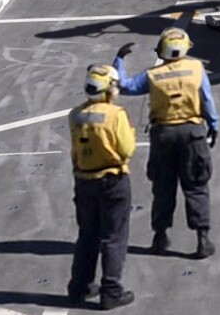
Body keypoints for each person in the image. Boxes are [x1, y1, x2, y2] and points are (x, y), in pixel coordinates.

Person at [114, 27, 220, 258]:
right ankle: (202, 239)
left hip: (163, 135)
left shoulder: (153, 75)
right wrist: (214, 126)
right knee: (196, 186)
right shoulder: (196, 68)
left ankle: (160, 237)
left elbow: (125, 86)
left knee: (163, 189)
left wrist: (119, 59)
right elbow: (207, 101)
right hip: (192, 134)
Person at [67, 63, 136, 309]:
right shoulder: (115, 115)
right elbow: (127, 149)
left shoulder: (75, 114)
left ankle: (79, 287)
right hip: (112, 181)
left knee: (87, 236)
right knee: (113, 238)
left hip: (83, 181)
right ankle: (110, 292)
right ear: (109, 90)